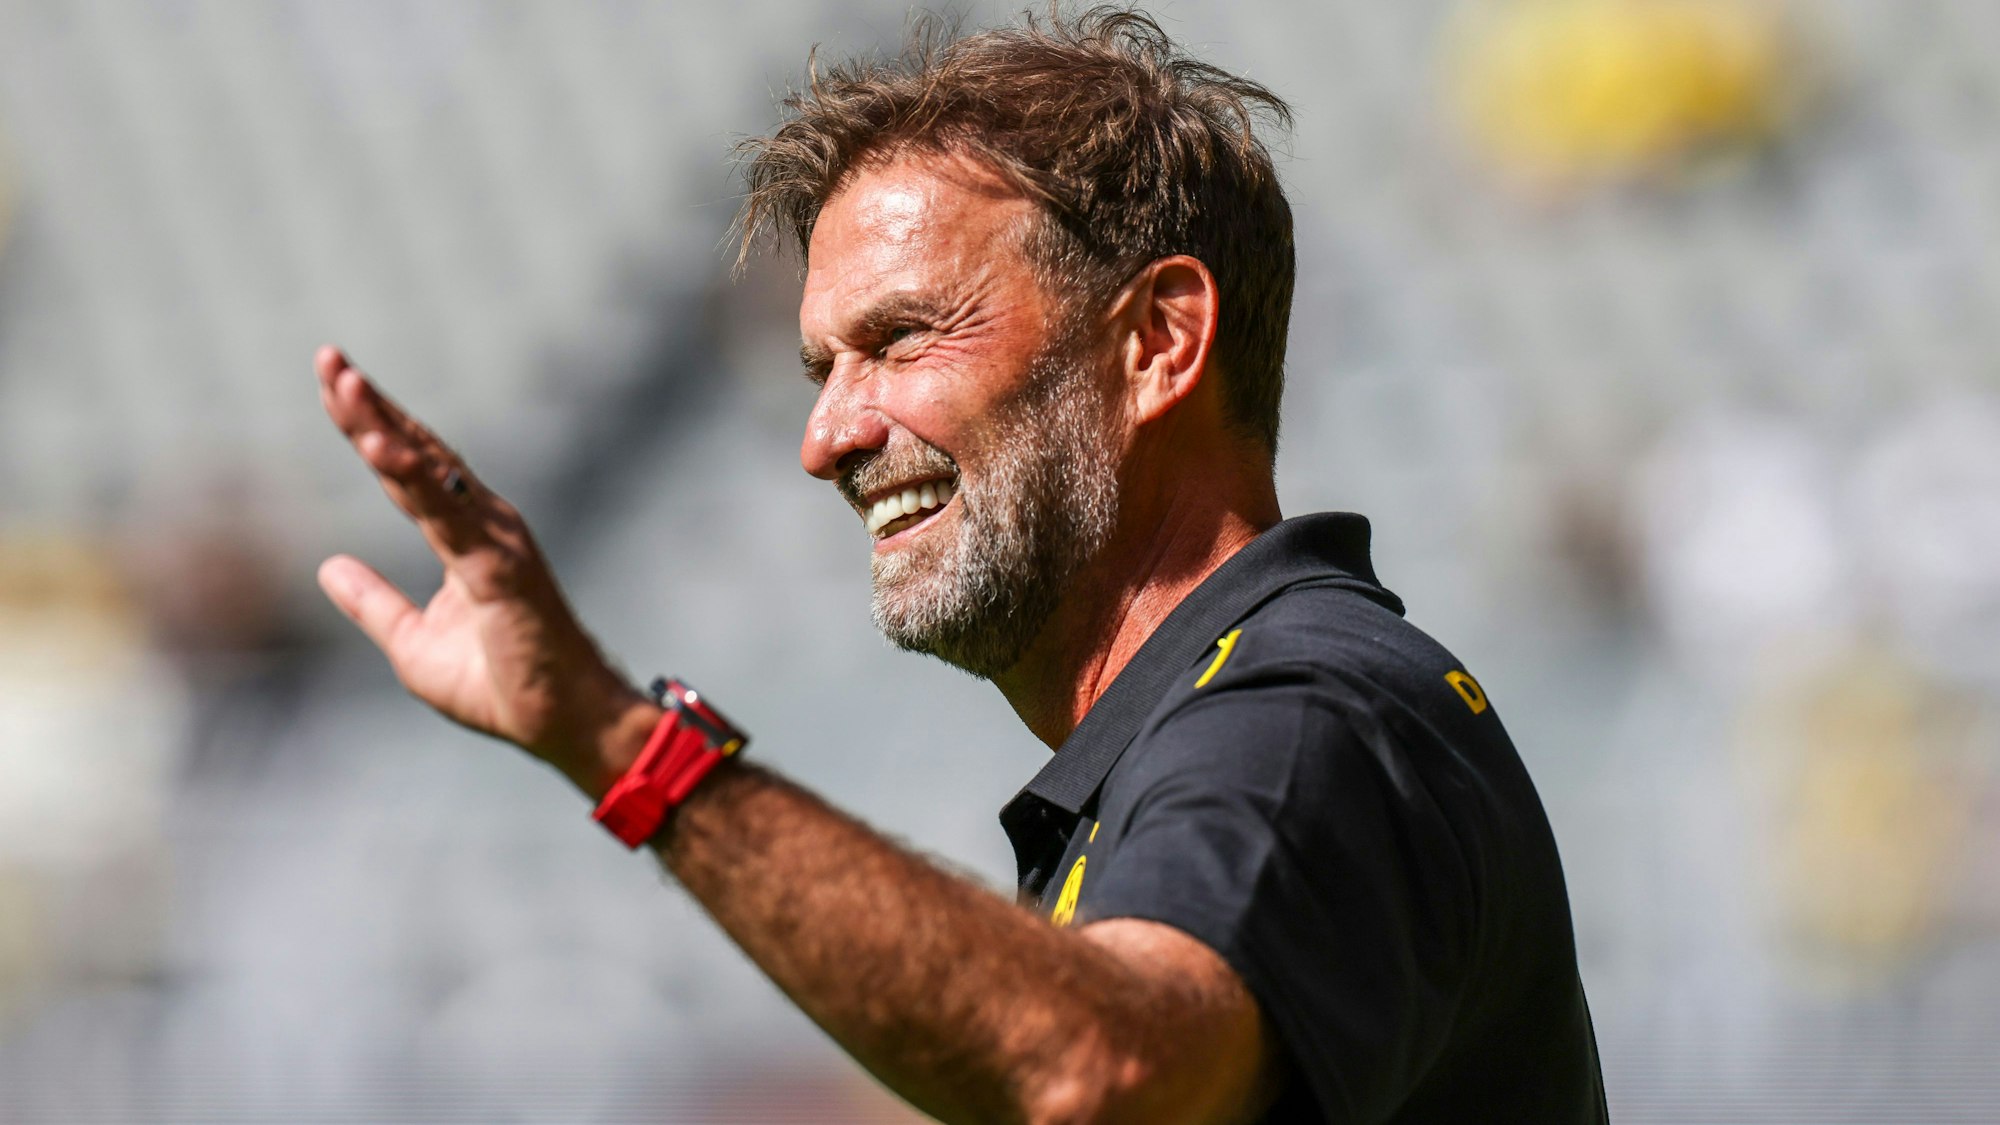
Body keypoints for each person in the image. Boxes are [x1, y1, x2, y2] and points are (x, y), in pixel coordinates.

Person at [313, 9, 1607, 1123]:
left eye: (902, 339)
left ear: (1159, 342)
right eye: (822, 369)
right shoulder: (1201, 737)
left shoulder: (1306, 713)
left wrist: (619, 740)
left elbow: (1105, 1067)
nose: (826, 438)